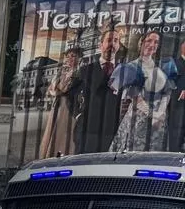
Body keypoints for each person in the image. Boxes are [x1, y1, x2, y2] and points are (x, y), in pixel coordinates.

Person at [109, 28, 177, 153]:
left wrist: (160, 113)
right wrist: (153, 115)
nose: (152, 45)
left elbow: (167, 92)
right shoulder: (131, 67)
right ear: (141, 42)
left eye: (156, 42)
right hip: (138, 120)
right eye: (149, 41)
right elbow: (135, 97)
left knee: (155, 157)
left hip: (159, 122)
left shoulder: (165, 67)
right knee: (134, 155)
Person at [73, 21, 124, 153]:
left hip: (112, 132)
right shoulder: (85, 70)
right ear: (101, 45)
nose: (112, 44)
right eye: (109, 40)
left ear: (118, 46)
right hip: (87, 131)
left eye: (116, 41)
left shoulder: (124, 71)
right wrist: (78, 115)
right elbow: (72, 96)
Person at [37, 47, 82, 159]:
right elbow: (51, 89)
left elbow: (64, 88)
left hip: (68, 106)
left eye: (73, 56)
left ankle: (63, 155)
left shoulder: (79, 73)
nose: (70, 59)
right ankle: (50, 154)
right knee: (53, 130)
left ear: (79, 58)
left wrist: (57, 89)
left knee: (64, 131)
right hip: (57, 105)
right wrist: (57, 89)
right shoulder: (62, 71)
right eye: (68, 56)